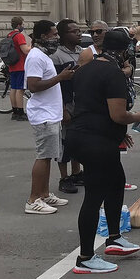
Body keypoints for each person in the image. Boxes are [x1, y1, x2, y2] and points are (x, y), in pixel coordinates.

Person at [68, 29, 140, 273]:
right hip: (95, 140)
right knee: (94, 197)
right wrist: (138, 117)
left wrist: (118, 133)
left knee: (117, 181)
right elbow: (118, 114)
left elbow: (93, 105)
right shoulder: (113, 73)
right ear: (125, 50)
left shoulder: (85, 69)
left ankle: (114, 238)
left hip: (84, 134)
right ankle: (85, 258)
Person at [23, 20, 74, 215]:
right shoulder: (36, 57)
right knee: (43, 156)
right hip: (43, 114)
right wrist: (61, 77)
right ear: (43, 36)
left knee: (50, 155)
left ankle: (44, 194)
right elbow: (33, 85)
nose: (57, 38)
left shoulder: (43, 56)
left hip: (50, 113)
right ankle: (33, 199)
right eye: (53, 34)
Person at [50, 19, 85, 195]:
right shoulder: (56, 56)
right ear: (63, 35)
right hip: (66, 103)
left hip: (81, 103)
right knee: (64, 141)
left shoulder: (83, 52)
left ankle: (77, 172)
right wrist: (62, 109)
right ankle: (64, 177)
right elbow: (57, 85)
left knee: (78, 140)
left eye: (79, 30)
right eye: (74, 31)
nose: (78, 33)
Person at [7, 16, 30, 121]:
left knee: (13, 88)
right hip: (20, 65)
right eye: (22, 24)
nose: (23, 26)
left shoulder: (9, 35)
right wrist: (32, 46)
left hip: (12, 65)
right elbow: (25, 50)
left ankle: (15, 111)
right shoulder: (19, 35)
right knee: (20, 89)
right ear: (19, 25)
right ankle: (21, 112)